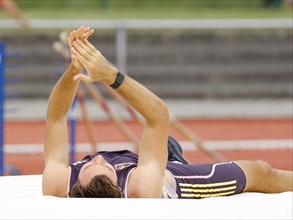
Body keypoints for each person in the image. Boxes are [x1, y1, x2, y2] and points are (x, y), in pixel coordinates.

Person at [42, 26, 293, 199]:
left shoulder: (58, 183)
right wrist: (110, 75)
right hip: (167, 180)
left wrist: (74, 68)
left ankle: (165, 154)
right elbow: (159, 116)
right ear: (118, 184)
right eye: (105, 167)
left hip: (137, 165)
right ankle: (173, 161)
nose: (99, 159)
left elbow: (56, 116)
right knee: (260, 171)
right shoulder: (142, 187)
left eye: (89, 165)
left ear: (75, 185)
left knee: (151, 155)